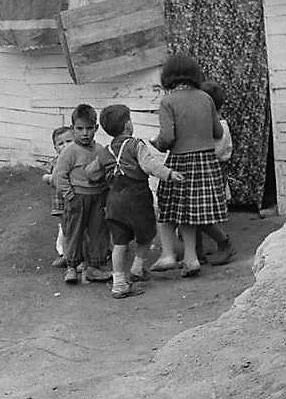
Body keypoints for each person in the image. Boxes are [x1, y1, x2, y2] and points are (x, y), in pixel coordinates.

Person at [86, 105, 185, 298]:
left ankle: (119, 283)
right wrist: (169, 174)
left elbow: (91, 172)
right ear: (128, 125)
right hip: (137, 199)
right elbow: (149, 165)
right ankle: (138, 267)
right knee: (147, 233)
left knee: (120, 242)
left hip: (114, 201)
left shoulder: (105, 152)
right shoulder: (135, 145)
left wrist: (99, 177)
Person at [150, 54, 227, 278]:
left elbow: (167, 136)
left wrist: (158, 144)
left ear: (168, 76)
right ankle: (191, 258)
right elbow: (218, 133)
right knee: (189, 213)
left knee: (166, 209)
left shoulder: (168, 101)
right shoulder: (206, 98)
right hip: (206, 162)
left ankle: (168, 255)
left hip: (181, 161)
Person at [52, 104, 112, 284]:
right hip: (77, 198)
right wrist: (70, 195)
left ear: (96, 128)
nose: (85, 133)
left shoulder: (100, 150)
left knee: (98, 232)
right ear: (73, 129)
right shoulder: (70, 151)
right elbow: (59, 175)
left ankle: (95, 266)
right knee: (74, 232)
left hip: (97, 198)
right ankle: (71, 266)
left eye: (89, 128)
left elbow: (107, 171)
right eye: (79, 129)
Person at [199, 80, 237, 266]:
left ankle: (225, 243)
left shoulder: (220, 127)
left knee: (203, 214)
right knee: (199, 213)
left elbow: (217, 152)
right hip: (208, 171)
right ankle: (197, 250)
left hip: (213, 173)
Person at [43, 126, 74, 268]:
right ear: (55, 148)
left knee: (78, 229)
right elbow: (45, 176)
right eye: (61, 144)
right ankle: (66, 255)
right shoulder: (55, 162)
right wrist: (50, 178)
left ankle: (80, 258)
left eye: (69, 141)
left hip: (75, 200)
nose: (65, 146)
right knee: (65, 229)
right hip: (60, 202)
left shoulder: (77, 159)